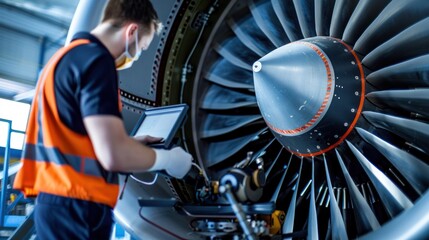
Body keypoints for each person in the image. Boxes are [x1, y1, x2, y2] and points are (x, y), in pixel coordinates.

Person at [12, 0, 193, 239]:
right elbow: (113, 155)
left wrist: (132, 144)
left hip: (58, 200)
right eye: (142, 47)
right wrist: (168, 159)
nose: (137, 55)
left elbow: (75, 136)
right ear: (132, 31)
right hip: (78, 205)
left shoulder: (65, 58)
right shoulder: (96, 62)